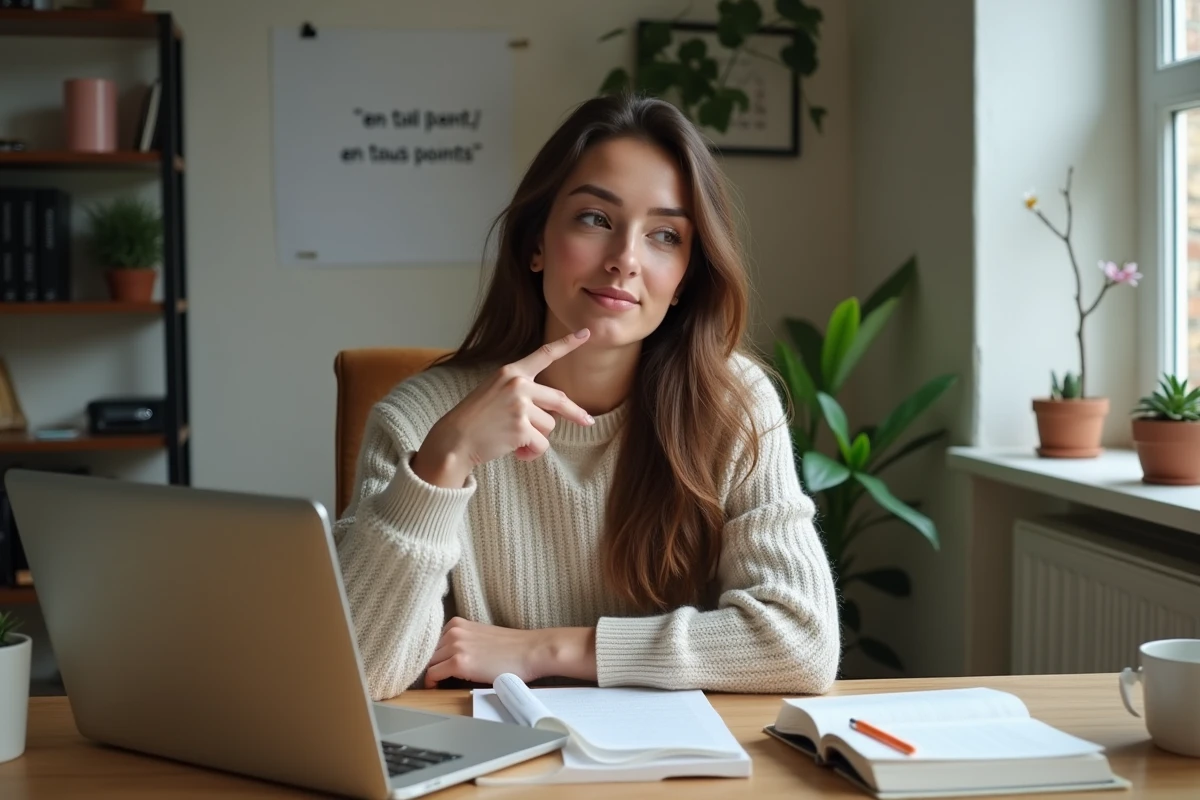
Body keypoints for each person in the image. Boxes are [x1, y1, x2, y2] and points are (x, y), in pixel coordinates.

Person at [334, 93, 840, 701]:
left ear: (683, 281)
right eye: (595, 220)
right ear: (536, 243)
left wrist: (548, 648)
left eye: (664, 235)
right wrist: (443, 463)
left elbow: (802, 641)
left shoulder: (734, 407)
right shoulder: (418, 421)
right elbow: (357, 675)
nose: (624, 260)